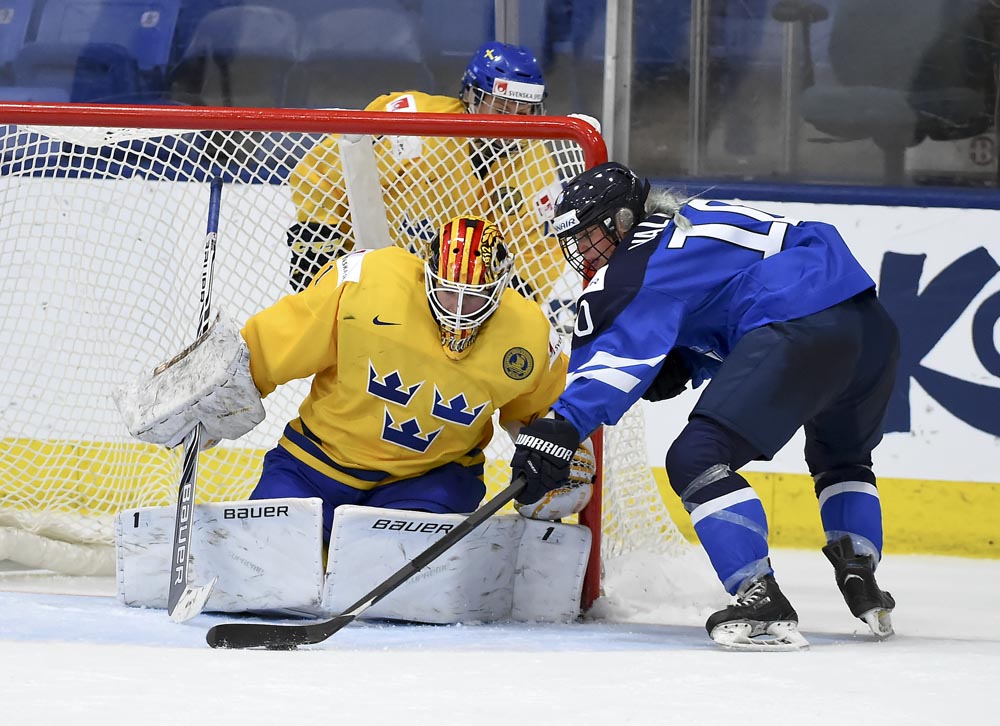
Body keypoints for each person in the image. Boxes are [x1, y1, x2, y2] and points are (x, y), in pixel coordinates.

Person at [509, 162, 899, 650]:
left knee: (696, 457)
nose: (584, 251)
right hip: (872, 328)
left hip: (800, 329)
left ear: (622, 221)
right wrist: (689, 360)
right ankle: (861, 573)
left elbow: (613, 364)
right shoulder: (696, 217)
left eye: (589, 235)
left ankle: (759, 596)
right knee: (842, 459)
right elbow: (740, 295)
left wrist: (561, 425)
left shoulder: (631, 266)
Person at [241, 215, 587, 540]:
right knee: (265, 551)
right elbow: (270, 347)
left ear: (499, 289)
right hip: (316, 463)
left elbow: (555, 419)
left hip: (430, 480)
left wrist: (561, 463)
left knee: (395, 571)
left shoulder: (527, 336)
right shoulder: (366, 283)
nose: (459, 310)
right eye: (449, 292)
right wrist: (224, 391)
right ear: (428, 275)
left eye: (474, 297)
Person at [286, 41, 588, 310]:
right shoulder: (413, 125)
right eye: (501, 109)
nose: (512, 124)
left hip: (460, 300)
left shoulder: (536, 163)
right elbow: (324, 171)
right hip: (373, 274)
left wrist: (516, 296)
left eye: (524, 113)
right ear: (471, 97)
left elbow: (539, 244)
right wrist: (318, 236)